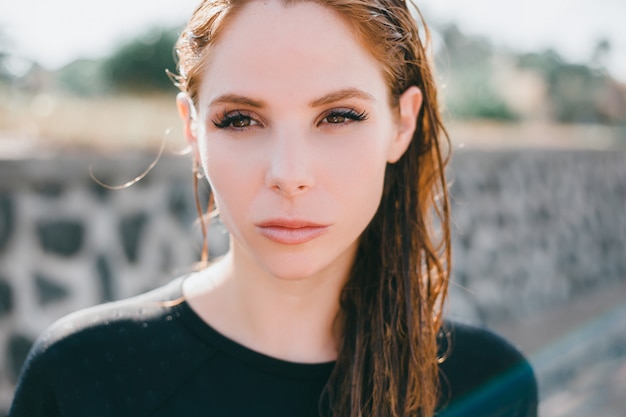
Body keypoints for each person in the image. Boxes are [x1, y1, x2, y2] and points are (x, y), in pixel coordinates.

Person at [9, 0, 538, 416]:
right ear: (193, 129)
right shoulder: (84, 374)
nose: (288, 175)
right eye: (240, 119)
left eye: (338, 116)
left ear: (402, 123)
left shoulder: (489, 384)